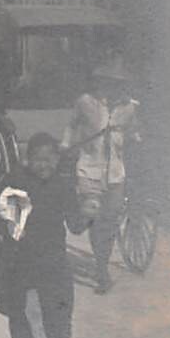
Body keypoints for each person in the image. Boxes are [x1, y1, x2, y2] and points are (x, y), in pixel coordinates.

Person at [0, 131, 85, 338]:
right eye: (38, 159)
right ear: (28, 160)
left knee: (58, 324)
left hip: (54, 268)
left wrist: (91, 213)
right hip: (22, 268)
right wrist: (7, 222)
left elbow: (76, 224)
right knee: (23, 325)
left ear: (57, 160)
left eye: (50, 159)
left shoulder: (63, 186)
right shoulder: (16, 184)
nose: (44, 165)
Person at [61, 57, 138, 294]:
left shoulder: (129, 107)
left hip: (116, 174)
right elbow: (72, 125)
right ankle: (76, 220)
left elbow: (132, 130)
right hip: (89, 169)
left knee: (109, 222)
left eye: (118, 83)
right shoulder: (86, 102)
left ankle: (102, 270)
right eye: (108, 82)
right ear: (100, 82)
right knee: (90, 216)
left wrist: (136, 138)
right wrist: (65, 144)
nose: (113, 88)